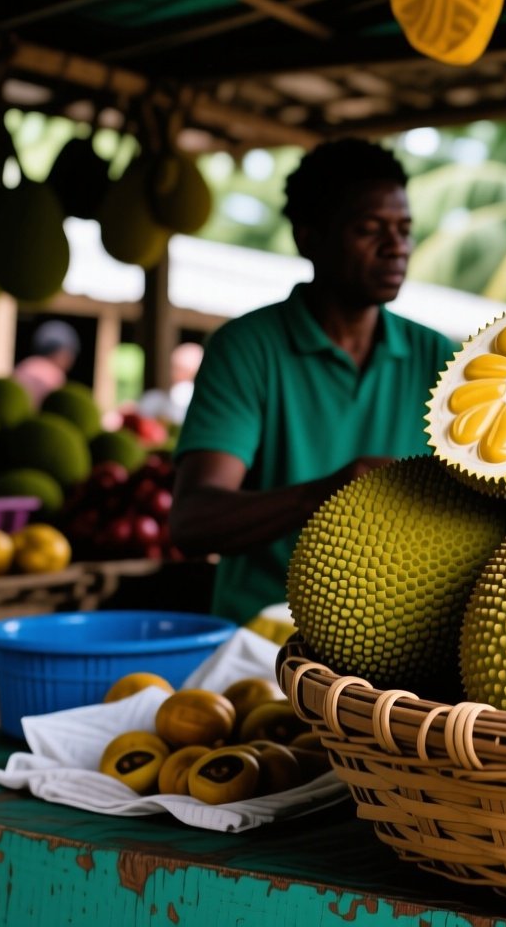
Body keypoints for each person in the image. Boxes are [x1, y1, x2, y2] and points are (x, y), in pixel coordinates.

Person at [171, 139, 454, 623]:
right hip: (264, 636)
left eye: (404, 229)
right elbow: (193, 520)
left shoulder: (441, 358)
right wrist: (325, 493)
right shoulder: (247, 348)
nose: (396, 247)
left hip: (404, 630)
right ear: (310, 238)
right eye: (370, 229)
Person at [11, 320, 80, 403]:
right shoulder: (54, 374)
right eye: (69, 353)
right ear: (59, 352)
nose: (70, 360)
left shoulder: (26, 364)